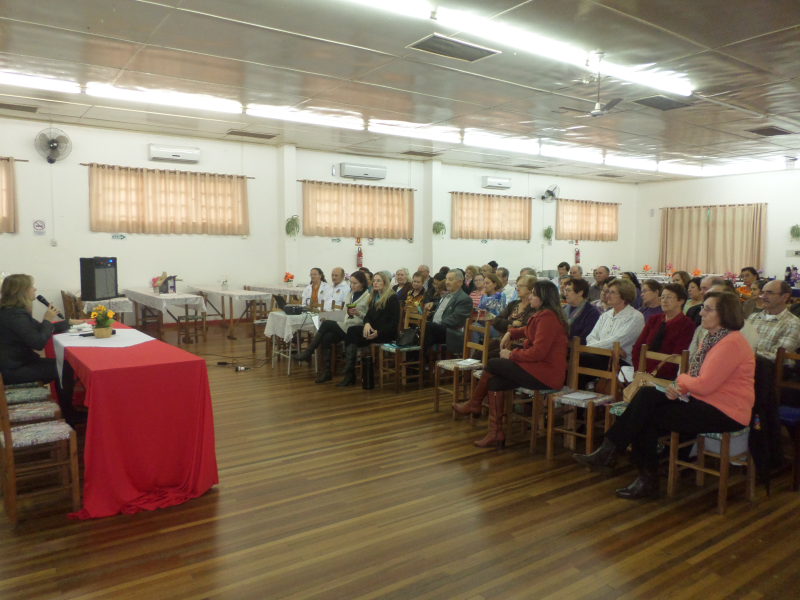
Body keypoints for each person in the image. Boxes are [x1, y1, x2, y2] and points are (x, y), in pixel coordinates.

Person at [573, 292, 755, 500]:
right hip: (702, 401)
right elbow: (696, 377)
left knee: (645, 415)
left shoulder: (731, 343)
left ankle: (623, 460)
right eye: (703, 307)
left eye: (707, 309)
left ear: (725, 313)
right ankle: (624, 462)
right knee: (646, 395)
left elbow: (704, 385)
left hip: (725, 412)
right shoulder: (712, 338)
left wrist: (680, 382)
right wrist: (680, 386)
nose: (701, 313)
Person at [452, 280, 569, 448]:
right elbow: (528, 330)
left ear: (544, 297)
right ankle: (495, 433)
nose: (530, 297)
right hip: (537, 368)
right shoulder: (543, 314)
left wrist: (512, 354)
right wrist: (511, 333)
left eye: (534, 294)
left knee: (493, 363)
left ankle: (474, 404)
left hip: (546, 374)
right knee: (495, 382)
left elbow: (538, 352)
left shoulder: (548, 317)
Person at [0, 274, 88, 426]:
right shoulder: (14, 315)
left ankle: (68, 411)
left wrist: (69, 322)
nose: (34, 289)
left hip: (17, 364)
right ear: (20, 291)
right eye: (31, 286)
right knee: (64, 368)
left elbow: (39, 328)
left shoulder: (12, 311)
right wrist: (47, 319)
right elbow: (38, 342)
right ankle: (69, 414)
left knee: (64, 367)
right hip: (12, 371)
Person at [292, 271, 370, 383]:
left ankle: (308, 352)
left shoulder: (368, 297)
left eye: (355, 283)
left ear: (362, 283)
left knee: (326, 323)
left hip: (356, 328)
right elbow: (345, 312)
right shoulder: (350, 294)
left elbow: (369, 318)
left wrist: (359, 313)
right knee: (326, 337)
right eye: (351, 283)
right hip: (345, 325)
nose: (352, 285)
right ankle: (327, 372)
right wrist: (334, 313)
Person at [336, 271, 400, 387]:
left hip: (385, 333)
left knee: (353, 334)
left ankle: (349, 372)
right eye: (374, 280)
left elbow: (393, 323)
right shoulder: (374, 296)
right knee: (352, 330)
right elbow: (368, 317)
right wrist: (366, 324)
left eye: (378, 281)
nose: (375, 283)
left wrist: (378, 333)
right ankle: (350, 371)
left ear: (385, 283)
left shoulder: (392, 298)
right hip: (372, 330)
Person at [630, 283, 695, 379]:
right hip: (642, 372)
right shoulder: (654, 319)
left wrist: (651, 374)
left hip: (666, 376)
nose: (664, 300)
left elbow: (676, 358)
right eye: (663, 297)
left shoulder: (687, 325)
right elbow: (637, 347)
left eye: (669, 297)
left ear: (681, 301)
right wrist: (639, 370)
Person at [586, 278, 645, 366]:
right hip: (600, 355)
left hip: (622, 362)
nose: (608, 295)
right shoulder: (605, 315)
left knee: (580, 358)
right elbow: (590, 337)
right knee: (577, 359)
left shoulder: (635, 317)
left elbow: (616, 341)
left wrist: (590, 348)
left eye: (612, 292)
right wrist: (607, 349)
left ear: (624, 295)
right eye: (608, 292)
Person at [747, 280, 800, 362]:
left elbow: (778, 356)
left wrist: (746, 354)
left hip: (770, 368)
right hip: (746, 363)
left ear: (785, 297)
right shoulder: (753, 317)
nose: (763, 297)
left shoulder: (792, 323)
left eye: (769, 293)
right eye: (762, 293)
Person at [422, 270, 474, 352]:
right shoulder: (446, 295)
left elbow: (456, 318)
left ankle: (422, 356)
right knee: (418, 327)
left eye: (450, 279)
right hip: (438, 328)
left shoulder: (464, 299)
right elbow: (442, 311)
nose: (447, 282)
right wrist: (431, 315)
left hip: (451, 331)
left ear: (460, 282)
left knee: (428, 327)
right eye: (446, 279)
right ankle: (418, 355)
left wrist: (438, 324)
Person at [564, 277, 601, 345]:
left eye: (569, 291)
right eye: (565, 291)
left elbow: (585, 338)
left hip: (578, 348)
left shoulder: (591, 312)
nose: (565, 294)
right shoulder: (562, 310)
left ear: (580, 293)